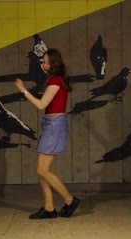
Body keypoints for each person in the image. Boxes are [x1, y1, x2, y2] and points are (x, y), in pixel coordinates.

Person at [14, 48, 80, 219]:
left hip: (55, 126)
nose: (43, 65)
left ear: (53, 64)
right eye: (43, 62)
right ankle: (49, 208)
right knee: (42, 169)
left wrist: (23, 90)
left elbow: (41, 105)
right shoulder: (55, 80)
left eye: (45, 62)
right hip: (51, 125)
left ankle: (69, 200)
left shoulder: (56, 81)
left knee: (42, 170)